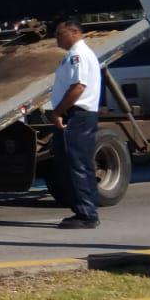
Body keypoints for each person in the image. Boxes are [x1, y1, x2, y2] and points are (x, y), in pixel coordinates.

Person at [48, 19, 102, 228]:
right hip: (79, 115)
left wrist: (58, 112)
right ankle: (85, 209)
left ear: (74, 32)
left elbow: (78, 87)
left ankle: (86, 214)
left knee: (76, 164)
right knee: (77, 163)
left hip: (77, 115)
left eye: (59, 35)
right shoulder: (77, 54)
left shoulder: (77, 55)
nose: (57, 40)